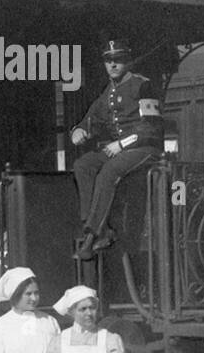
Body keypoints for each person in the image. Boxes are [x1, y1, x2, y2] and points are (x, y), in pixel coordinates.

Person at [70, 39, 163, 256]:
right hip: (120, 149)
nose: (112, 65)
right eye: (108, 61)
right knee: (83, 165)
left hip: (145, 149)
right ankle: (93, 226)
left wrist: (121, 144)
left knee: (109, 171)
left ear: (128, 62)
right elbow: (92, 118)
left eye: (118, 60)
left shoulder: (142, 85)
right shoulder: (108, 92)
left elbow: (151, 128)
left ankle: (93, 233)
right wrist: (79, 130)